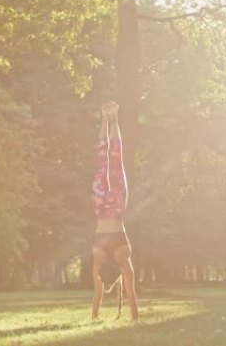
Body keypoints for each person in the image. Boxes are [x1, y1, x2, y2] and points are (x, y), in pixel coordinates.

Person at [91, 101, 139, 320]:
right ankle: (108, 117)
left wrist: (94, 317)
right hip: (102, 208)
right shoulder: (99, 257)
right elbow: (128, 291)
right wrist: (135, 317)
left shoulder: (121, 256)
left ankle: (111, 117)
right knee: (104, 160)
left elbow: (126, 289)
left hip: (115, 210)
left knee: (114, 159)